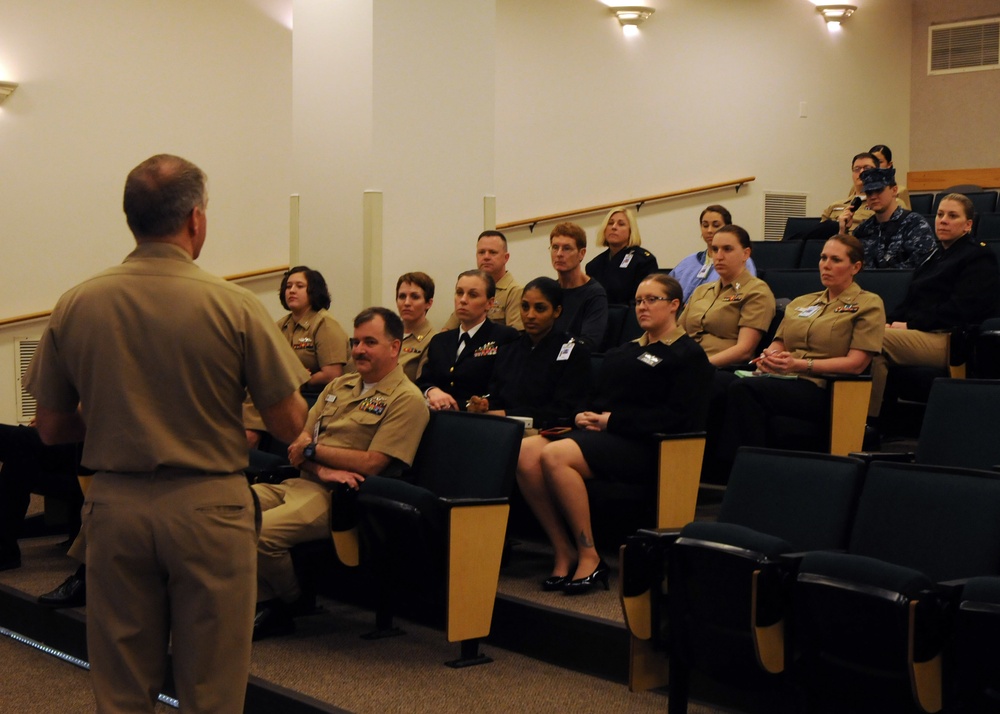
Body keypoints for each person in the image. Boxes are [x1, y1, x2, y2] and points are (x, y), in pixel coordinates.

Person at [24, 154, 309, 713]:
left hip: (116, 507)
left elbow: (51, 428)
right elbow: (289, 424)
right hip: (210, 510)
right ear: (196, 220)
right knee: (212, 687)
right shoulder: (236, 306)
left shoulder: (77, 302)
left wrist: (113, 417)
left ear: (130, 218)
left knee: (121, 687)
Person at [516, 274, 712, 594]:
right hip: (609, 435)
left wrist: (613, 421)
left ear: (675, 305)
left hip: (649, 446)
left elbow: (680, 418)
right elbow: (601, 398)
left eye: (652, 300)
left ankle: (589, 555)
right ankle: (562, 548)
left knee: (554, 455)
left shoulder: (687, 355)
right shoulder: (625, 350)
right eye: (638, 301)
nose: (642, 307)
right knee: (525, 452)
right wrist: (583, 416)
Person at [252, 307, 429, 640]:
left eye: (370, 342)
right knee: (226, 511)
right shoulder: (340, 385)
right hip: (301, 481)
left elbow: (373, 462)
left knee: (263, 535)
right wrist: (317, 463)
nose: (359, 350)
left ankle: (289, 602)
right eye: (356, 341)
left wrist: (311, 452)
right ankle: (260, 601)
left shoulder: (406, 399)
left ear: (395, 347)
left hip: (339, 501)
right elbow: (299, 438)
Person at [717, 234, 885, 475]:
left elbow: (856, 364)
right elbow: (779, 343)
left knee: (745, 390)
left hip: (825, 388)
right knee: (723, 382)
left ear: (855, 267)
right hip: (786, 379)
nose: (825, 265)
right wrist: (770, 358)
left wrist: (799, 364)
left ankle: (745, 471)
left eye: (835, 260)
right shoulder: (802, 302)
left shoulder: (868, 304)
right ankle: (717, 467)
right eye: (823, 258)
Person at [868, 193, 1000, 420]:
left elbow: (960, 309)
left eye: (952, 216)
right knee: (866, 331)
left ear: (968, 225)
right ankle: (875, 419)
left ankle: (866, 421)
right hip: (920, 332)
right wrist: (888, 321)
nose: (943, 220)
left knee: (874, 340)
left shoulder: (978, 256)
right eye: (940, 214)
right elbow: (910, 299)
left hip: (949, 339)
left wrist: (909, 325)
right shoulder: (934, 255)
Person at [245, 265, 350, 448]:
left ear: (313, 291)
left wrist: (301, 379)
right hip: (287, 389)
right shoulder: (281, 325)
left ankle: (250, 439)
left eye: (299, 286)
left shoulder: (324, 323)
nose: (292, 290)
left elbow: (333, 374)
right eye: (288, 286)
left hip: (316, 394)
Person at [467, 276, 591, 429]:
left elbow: (563, 410)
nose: (530, 315)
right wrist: (484, 405)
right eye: (525, 307)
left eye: (540, 308)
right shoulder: (509, 349)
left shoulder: (574, 352)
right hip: (501, 426)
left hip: (545, 431)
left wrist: (505, 414)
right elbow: (496, 396)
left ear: (557, 311)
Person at [416, 270, 519, 411]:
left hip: (479, 420)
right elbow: (424, 381)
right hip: (438, 417)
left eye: (473, 295)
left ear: (489, 303)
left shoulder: (503, 337)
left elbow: (503, 390)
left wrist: (472, 404)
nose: (463, 300)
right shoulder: (440, 341)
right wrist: (432, 391)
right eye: (459, 293)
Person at [679, 224, 776, 368]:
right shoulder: (701, 291)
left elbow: (744, 351)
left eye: (727, 249)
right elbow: (675, 333)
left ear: (746, 254)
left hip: (718, 369)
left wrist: (698, 366)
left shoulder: (756, 291)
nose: (719, 256)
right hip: (684, 362)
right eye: (715, 249)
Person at [0, 422, 83, 571]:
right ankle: (5, 546)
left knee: (22, 440)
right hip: (74, 437)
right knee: (12, 439)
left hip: (88, 447)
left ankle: (5, 547)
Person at [840, 167, 935, 269]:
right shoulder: (863, 230)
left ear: (894, 190)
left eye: (878, 190)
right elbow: (847, 266)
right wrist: (843, 231)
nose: (873, 197)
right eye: (869, 192)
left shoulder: (915, 224)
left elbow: (923, 266)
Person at [671, 205, 758, 301]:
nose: (709, 230)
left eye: (716, 225)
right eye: (705, 225)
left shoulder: (742, 261)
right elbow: (667, 288)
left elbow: (742, 295)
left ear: (728, 228)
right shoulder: (689, 261)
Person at [442, 230, 524, 331]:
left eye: (492, 252)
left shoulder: (515, 292)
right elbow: (447, 330)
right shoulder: (469, 289)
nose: (486, 257)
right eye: (481, 252)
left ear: (505, 258)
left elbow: (515, 337)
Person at [549, 222, 609, 348]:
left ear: (581, 253)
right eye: (555, 247)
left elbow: (590, 342)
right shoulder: (549, 290)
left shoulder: (594, 294)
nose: (559, 254)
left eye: (566, 248)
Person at [585, 206, 658, 304]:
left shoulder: (643, 261)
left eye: (621, 224)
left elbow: (644, 300)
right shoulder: (594, 265)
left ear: (631, 231)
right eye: (610, 223)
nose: (614, 227)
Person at [816, 152, 881, 236]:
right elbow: (819, 237)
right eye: (857, 169)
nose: (861, 172)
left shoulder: (885, 204)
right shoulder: (834, 206)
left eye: (867, 168)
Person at [395, 271, 436, 382]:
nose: (407, 302)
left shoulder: (434, 341)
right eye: (402, 296)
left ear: (428, 303)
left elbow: (422, 387)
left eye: (415, 297)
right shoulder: (386, 334)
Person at [869, 144, 911, 209]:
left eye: (879, 162)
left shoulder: (900, 191)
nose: (875, 166)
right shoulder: (858, 188)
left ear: (889, 164)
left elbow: (906, 216)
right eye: (873, 162)